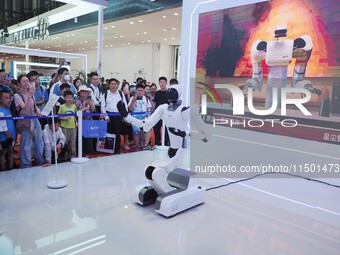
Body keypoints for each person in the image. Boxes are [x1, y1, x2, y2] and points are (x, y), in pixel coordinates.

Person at [14, 74, 44, 168]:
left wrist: (38, 110)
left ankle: (40, 160)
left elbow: (33, 105)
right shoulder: (17, 96)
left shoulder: (31, 93)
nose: (26, 83)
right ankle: (26, 164)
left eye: (27, 81)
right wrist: (30, 95)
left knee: (39, 139)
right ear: (19, 84)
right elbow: (25, 108)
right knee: (26, 142)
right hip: (25, 121)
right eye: (23, 81)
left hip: (34, 119)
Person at [101, 78, 128, 154]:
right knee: (109, 133)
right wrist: (106, 117)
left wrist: (124, 116)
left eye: (115, 84)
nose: (113, 85)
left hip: (118, 115)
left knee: (117, 133)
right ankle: (108, 149)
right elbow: (102, 107)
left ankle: (117, 149)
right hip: (109, 115)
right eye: (112, 84)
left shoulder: (120, 93)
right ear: (109, 85)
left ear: (117, 85)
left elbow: (125, 105)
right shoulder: (105, 94)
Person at [128, 83, 152, 150]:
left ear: (143, 91)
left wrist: (149, 118)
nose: (140, 92)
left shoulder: (146, 99)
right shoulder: (132, 98)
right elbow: (130, 109)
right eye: (138, 90)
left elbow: (149, 108)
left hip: (144, 118)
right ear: (136, 91)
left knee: (149, 128)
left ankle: (145, 145)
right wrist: (133, 101)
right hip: (135, 118)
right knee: (136, 132)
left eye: (141, 90)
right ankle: (137, 147)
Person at [75, 85, 96, 154]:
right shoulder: (76, 101)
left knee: (89, 138)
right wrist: (86, 108)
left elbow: (93, 110)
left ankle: (88, 151)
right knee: (80, 138)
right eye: (82, 91)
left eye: (86, 92)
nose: (84, 93)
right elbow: (76, 112)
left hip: (89, 122)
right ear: (79, 93)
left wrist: (91, 104)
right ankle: (80, 152)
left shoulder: (89, 100)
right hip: (79, 122)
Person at [58, 90, 77, 160]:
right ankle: (64, 157)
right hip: (64, 127)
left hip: (73, 127)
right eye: (67, 97)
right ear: (64, 98)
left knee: (73, 143)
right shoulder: (62, 107)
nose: (69, 99)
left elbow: (75, 116)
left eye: (71, 98)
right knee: (65, 142)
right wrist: (65, 118)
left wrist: (76, 121)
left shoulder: (74, 106)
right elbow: (59, 116)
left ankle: (72, 157)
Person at [0, 89, 16, 170]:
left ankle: (11, 167)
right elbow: (1, 124)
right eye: (6, 98)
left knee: (11, 151)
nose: (8, 100)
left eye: (9, 98)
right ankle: (2, 169)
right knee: (3, 152)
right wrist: (6, 133)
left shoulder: (9, 108)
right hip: (4, 136)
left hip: (12, 134)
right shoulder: (0, 110)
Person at [153, 76, 170, 146]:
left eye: (164, 82)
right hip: (158, 114)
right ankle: (157, 142)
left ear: (166, 83)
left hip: (167, 114)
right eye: (161, 82)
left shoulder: (169, 92)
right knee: (156, 128)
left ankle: (166, 143)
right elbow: (155, 103)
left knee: (166, 129)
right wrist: (153, 113)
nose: (162, 84)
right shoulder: (157, 93)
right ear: (159, 83)